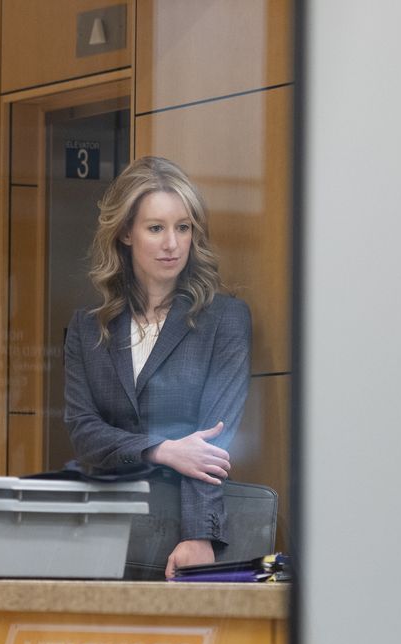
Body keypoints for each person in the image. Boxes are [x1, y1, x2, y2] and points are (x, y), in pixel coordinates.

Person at [63, 156, 251, 579]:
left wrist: (199, 536)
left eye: (182, 228)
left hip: (183, 539)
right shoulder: (86, 328)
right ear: (126, 233)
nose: (172, 243)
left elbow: (212, 446)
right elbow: (83, 432)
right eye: (156, 228)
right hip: (99, 538)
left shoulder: (225, 320)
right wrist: (163, 449)